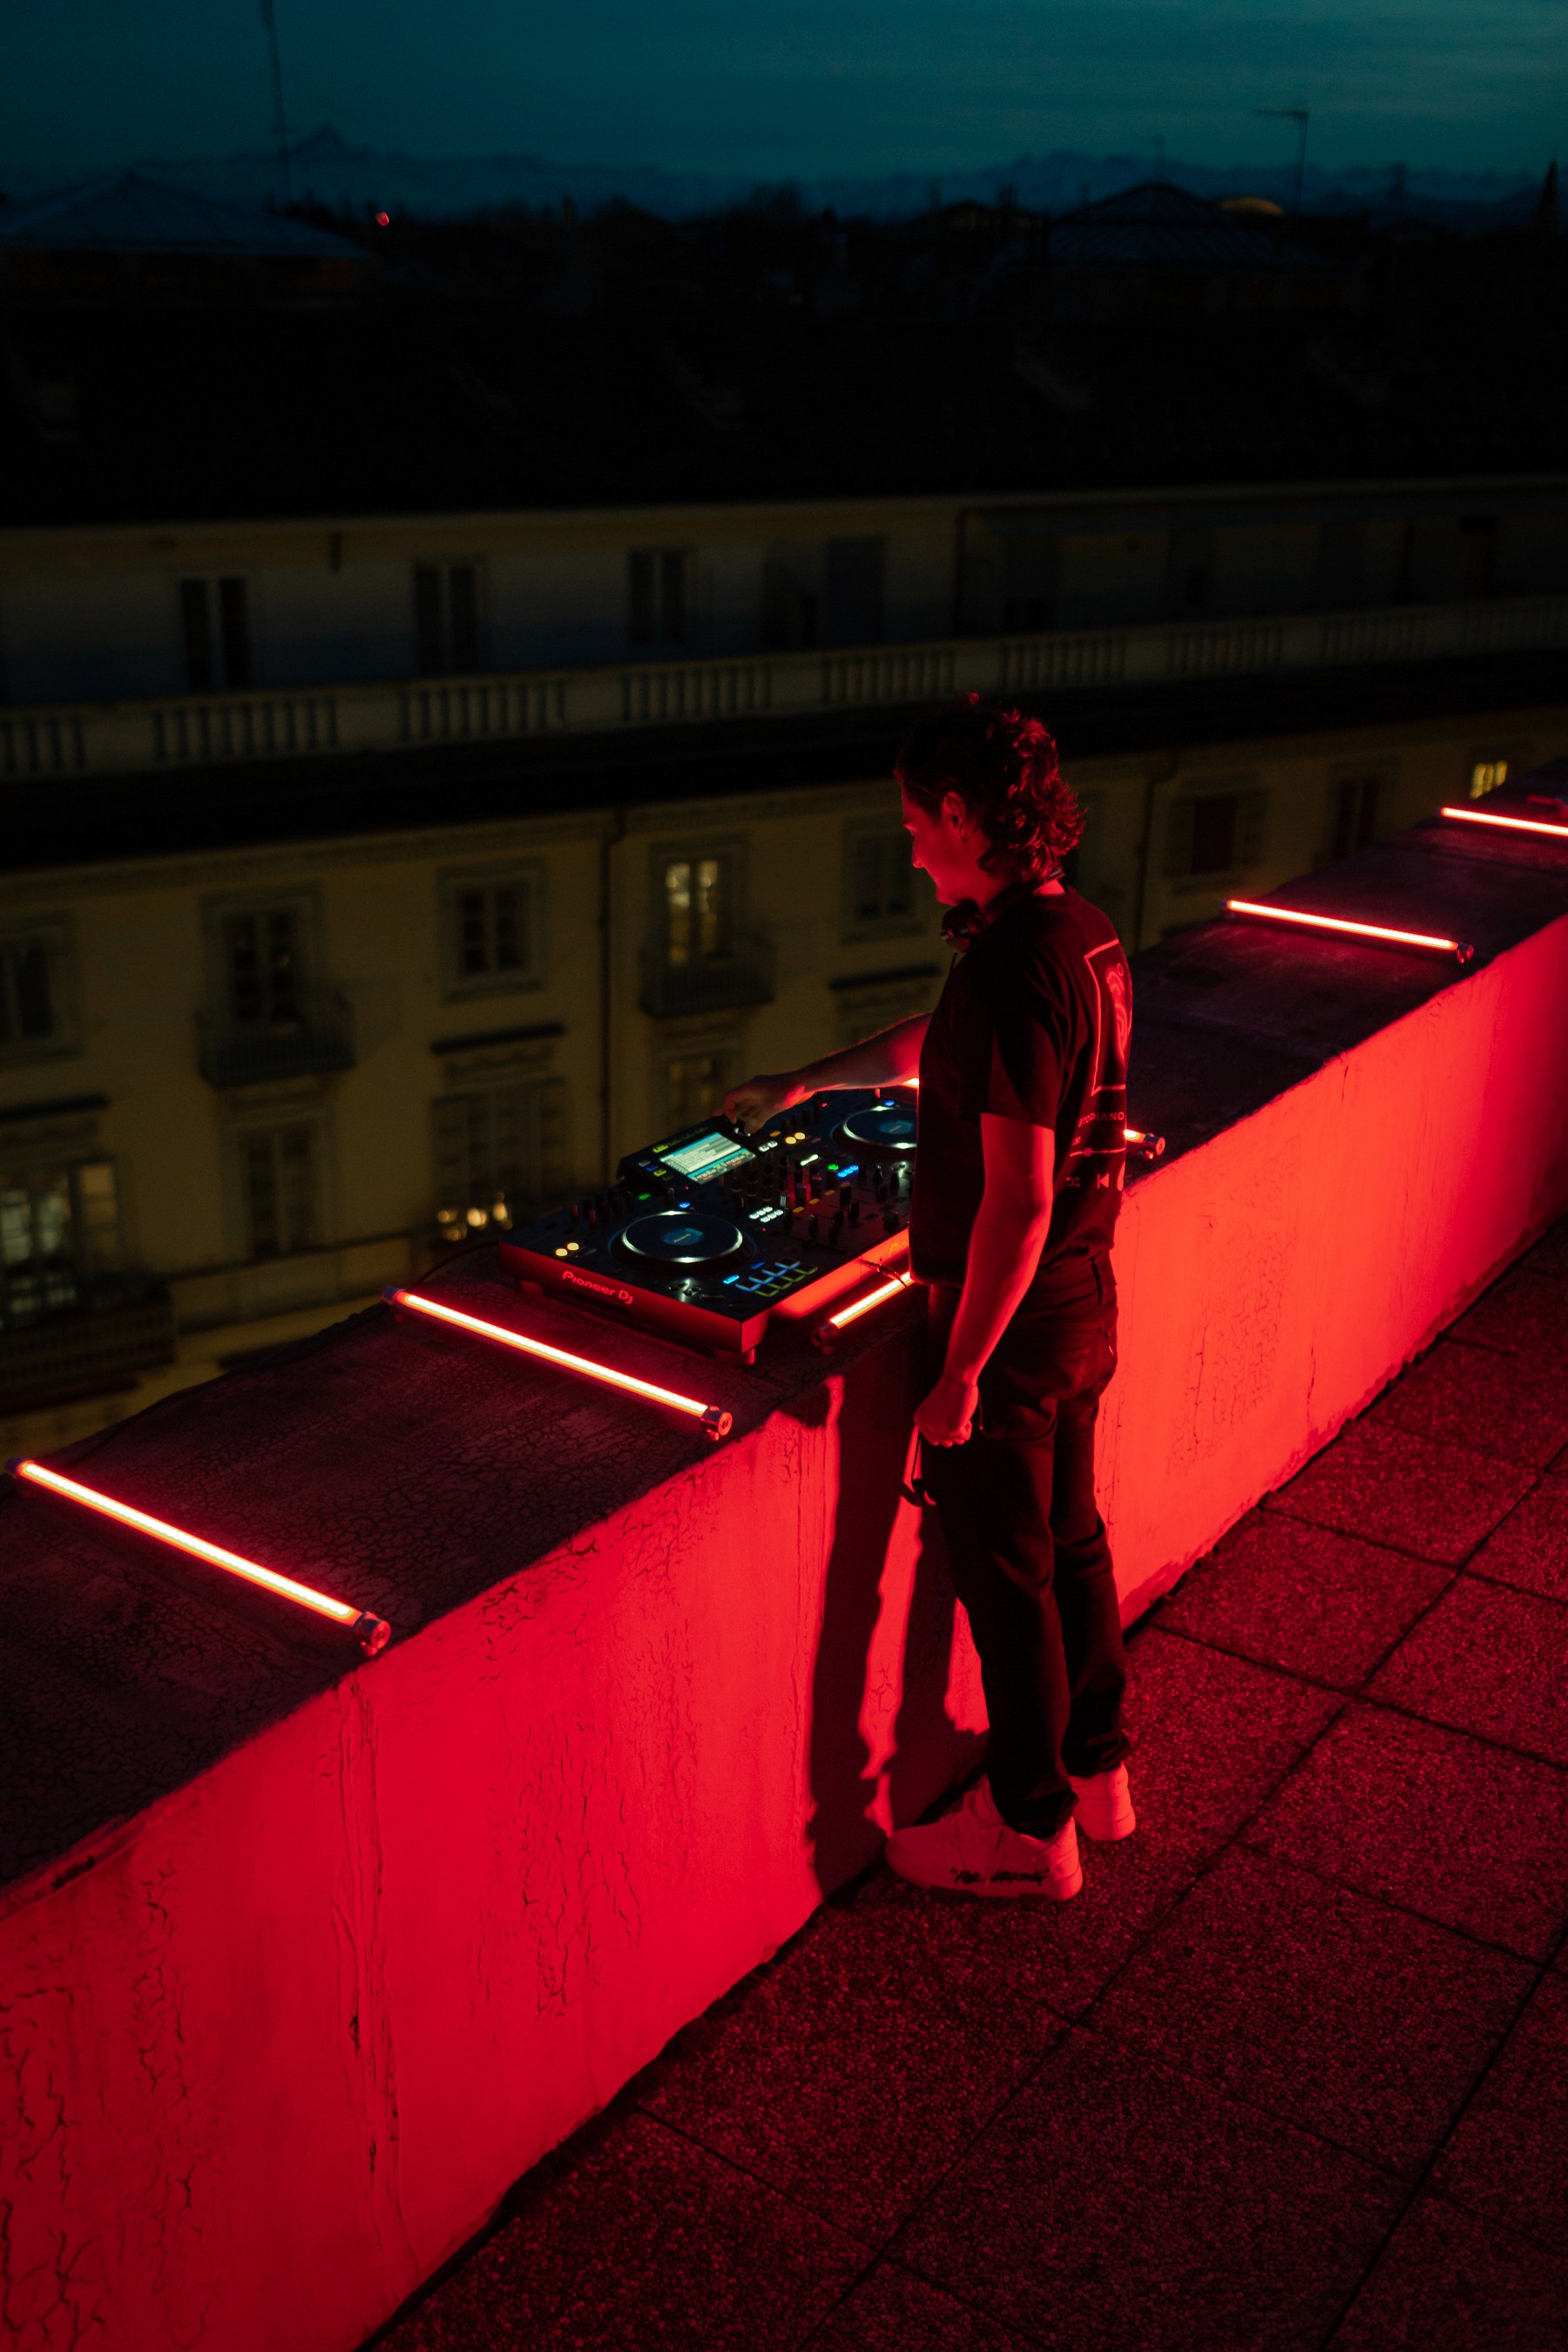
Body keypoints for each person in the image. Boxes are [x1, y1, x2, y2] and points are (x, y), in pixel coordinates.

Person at [724, 694, 1134, 1901]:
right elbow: (948, 1040)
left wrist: (955, 1375)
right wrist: (810, 1082)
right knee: (1073, 1543)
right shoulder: (1080, 937)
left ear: (960, 816)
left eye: (913, 823)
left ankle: (1029, 1832)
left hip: (1005, 1322)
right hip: (1084, 1301)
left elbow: (1015, 1199)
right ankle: (1102, 1779)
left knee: (1006, 1584)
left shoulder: (1011, 970)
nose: (906, 847)